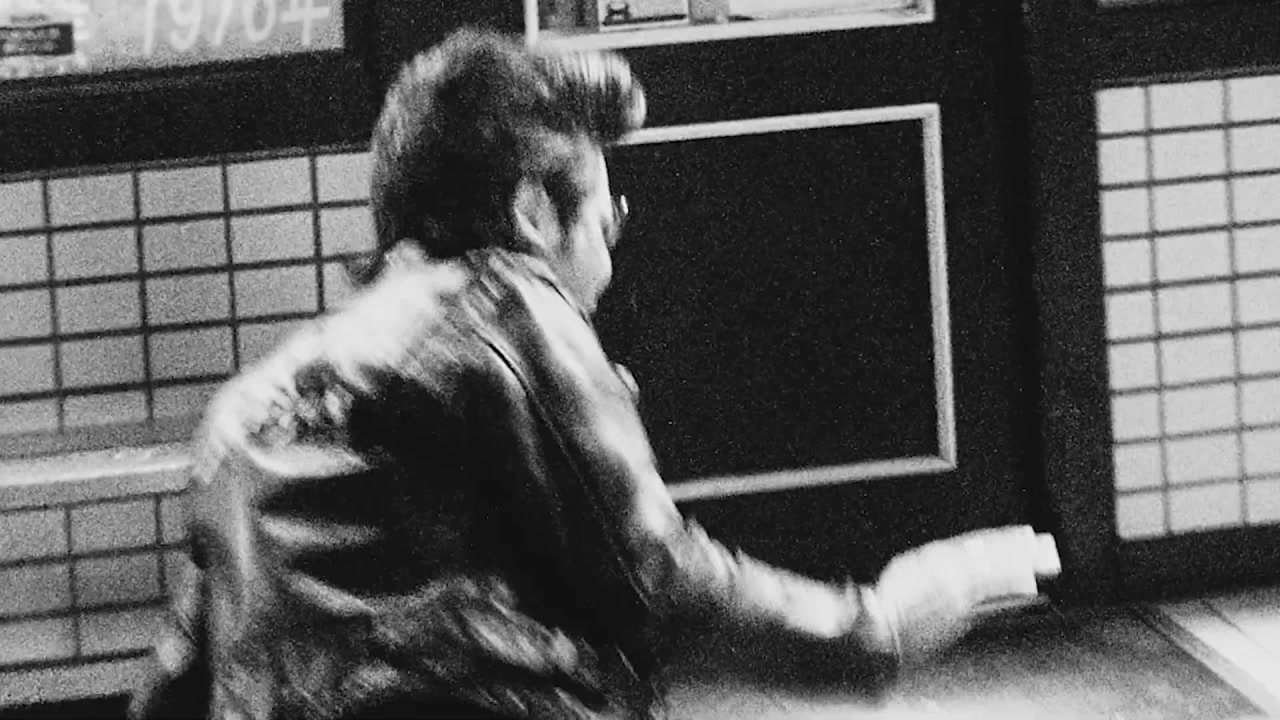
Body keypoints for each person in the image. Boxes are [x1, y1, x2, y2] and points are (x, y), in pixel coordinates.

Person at [128, 27, 1058, 720]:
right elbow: (652, 580)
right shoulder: (499, 301)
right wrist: (872, 633)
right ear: (535, 212)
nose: (607, 269)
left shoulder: (249, 405)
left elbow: (182, 674)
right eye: (606, 223)